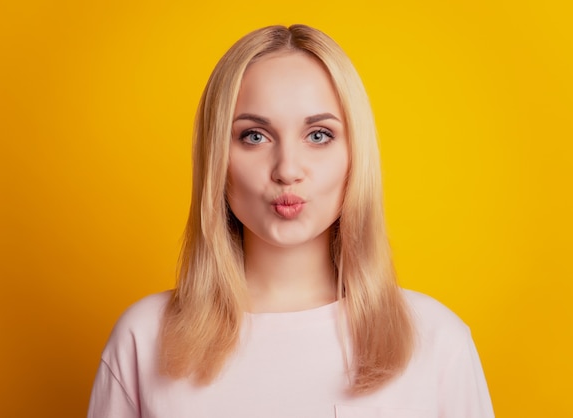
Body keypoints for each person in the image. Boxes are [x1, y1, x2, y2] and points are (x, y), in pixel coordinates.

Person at [87, 24, 494, 417]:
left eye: (318, 135)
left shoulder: (438, 342)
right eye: (254, 136)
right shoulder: (143, 340)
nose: (287, 169)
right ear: (216, 158)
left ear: (355, 154)